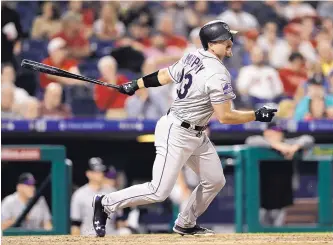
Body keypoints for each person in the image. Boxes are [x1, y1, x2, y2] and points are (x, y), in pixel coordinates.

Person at [92, 20, 277, 237]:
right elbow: (225, 116)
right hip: (176, 131)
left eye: (229, 39)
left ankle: (186, 223)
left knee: (215, 180)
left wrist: (137, 83)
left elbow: (164, 75)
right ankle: (106, 203)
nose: (230, 43)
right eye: (224, 40)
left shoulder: (193, 55)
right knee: (158, 191)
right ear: (211, 44)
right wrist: (256, 115)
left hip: (196, 133)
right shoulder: (217, 73)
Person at [245, 122, 315, 226]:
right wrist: (277, 146)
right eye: (273, 132)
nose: (277, 134)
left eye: (279, 132)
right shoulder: (261, 143)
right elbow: (250, 141)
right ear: (266, 132)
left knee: (279, 232)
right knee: (260, 232)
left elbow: (309, 139)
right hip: (261, 197)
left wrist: (294, 147)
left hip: (283, 196)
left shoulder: (288, 143)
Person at [70, 158, 117, 235]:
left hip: (111, 236)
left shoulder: (112, 192)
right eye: (97, 172)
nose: (100, 174)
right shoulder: (79, 194)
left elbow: (119, 220)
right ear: (88, 174)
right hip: (88, 237)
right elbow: (75, 224)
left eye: (101, 171)